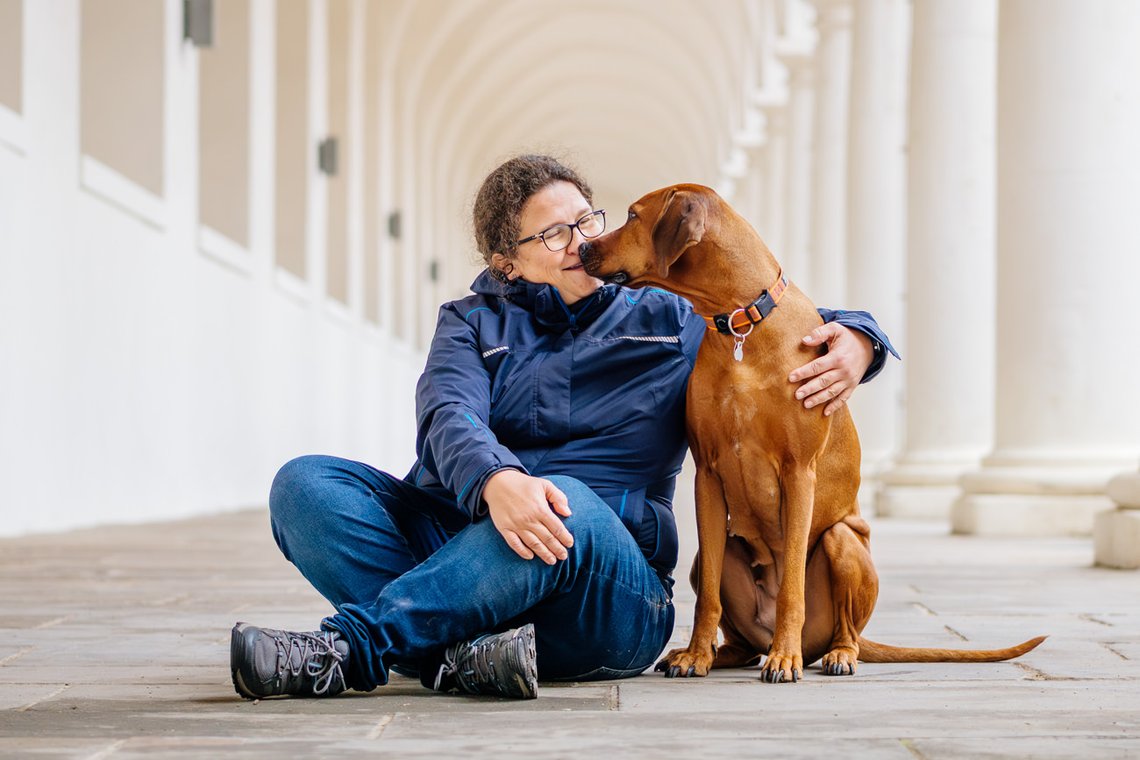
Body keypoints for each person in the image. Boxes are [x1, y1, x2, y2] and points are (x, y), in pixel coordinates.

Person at [229, 154, 898, 701]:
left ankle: (353, 649)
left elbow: (774, 315)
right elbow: (447, 415)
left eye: (585, 220)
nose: (582, 243)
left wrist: (863, 340)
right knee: (305, 486)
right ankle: (460, 657)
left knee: (566, 497)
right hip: (472, 533)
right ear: (507, 263)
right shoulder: (468, 322)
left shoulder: (668, 314)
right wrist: (496, 479)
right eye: (554, 234)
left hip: (607, 592)